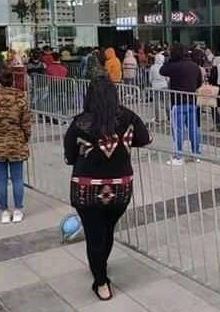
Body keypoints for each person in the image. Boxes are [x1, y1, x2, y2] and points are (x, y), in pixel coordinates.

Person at [63, 76, 151, 301]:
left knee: (94, 234)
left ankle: (101, 281)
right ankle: (100, 265)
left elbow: (70, 156)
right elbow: (144, 138)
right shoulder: (128, 117)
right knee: (107, 230)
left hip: (87, 189)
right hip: (120, 189)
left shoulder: (80, 123)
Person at [0, 70, 31, 224]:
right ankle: (18, 210)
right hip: (16, 141)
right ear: (13, 82)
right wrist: (25, 137)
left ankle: (4, 211)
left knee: (1, 179)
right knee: (17, 178)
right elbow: (26, 122)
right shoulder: (20, 98)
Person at [160, 43, 202, 165]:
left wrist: (169, 60)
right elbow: (199, 82)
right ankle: (196, 154)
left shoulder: (174, 66)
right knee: (193, 129)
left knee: (178, 130)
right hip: (192, 101)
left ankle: (178, 156)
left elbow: (162, 70)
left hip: (178, 102)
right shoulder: (194, 66)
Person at [149, 52, 169, 123]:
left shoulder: (152, 67)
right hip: (164, 85)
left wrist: (152, 83)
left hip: (155, 86)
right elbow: (167, 78)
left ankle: (157, 118)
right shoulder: (164, 67)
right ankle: (169, 117)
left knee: (156, 102)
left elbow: (150, 79)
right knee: (166, 102)